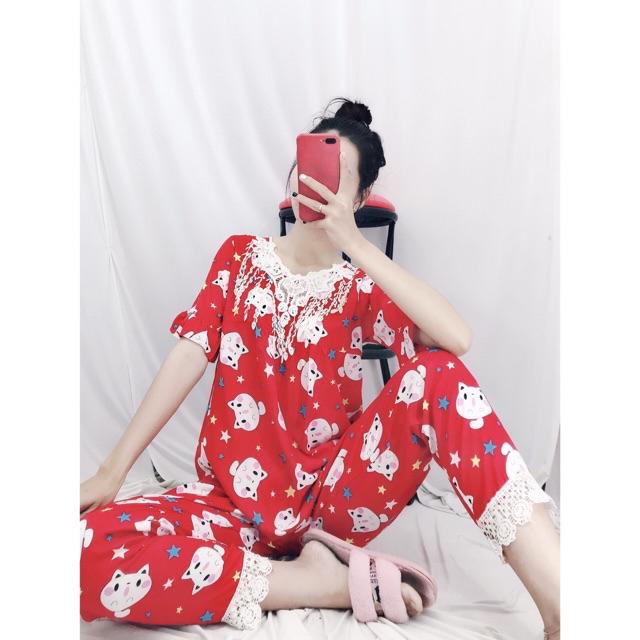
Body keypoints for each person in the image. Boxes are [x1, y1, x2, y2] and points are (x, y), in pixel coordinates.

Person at [79, 97, 560, 638]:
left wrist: (354, 244)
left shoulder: (358, 291)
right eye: (306, 168)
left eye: (334, 178)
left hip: (332, 504)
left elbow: (456, 339)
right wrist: (112, 472)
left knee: (438, 376)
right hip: (228, 506)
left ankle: (561, 605)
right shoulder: (239, 258)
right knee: (82, 550)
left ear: (359, 198)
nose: (313, 184)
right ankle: (317, 584)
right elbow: (188, 354)